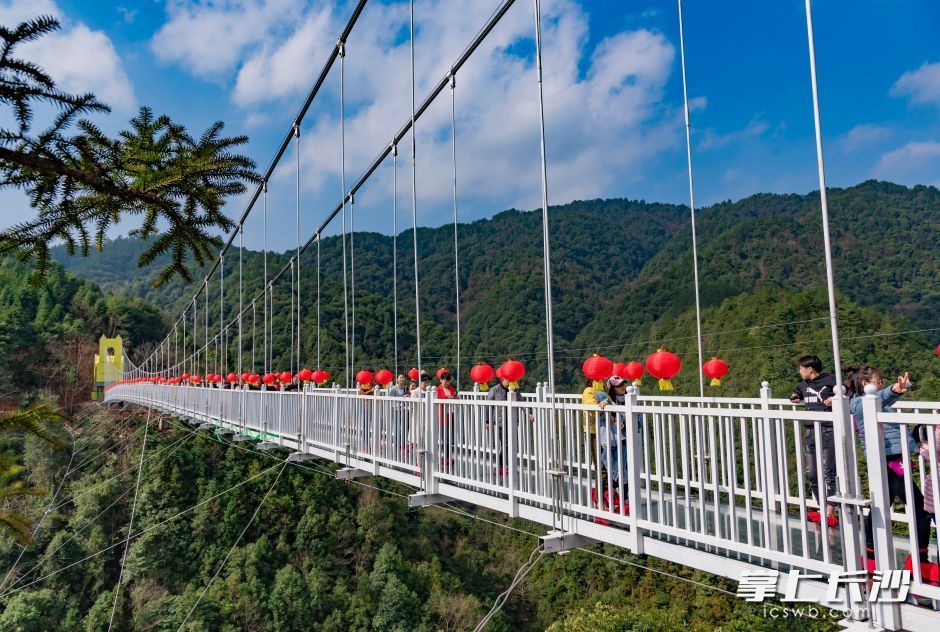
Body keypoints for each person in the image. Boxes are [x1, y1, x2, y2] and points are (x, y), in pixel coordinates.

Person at [848, 366, 931, 571]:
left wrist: (901, 389)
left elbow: (885, 399)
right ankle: (920, 562)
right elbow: (882, 398)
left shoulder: (877, 403)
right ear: (864, 384)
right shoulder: (858, 403)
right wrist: (893, 389)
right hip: (887, 460)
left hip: (891, 459)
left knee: (881, 506)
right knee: (920, 507)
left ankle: (870, 557)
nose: (881, 384)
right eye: (878, 381)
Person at [789, 354, 839, 527]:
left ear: (810, 369)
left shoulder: (830, 380)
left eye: (801, 368)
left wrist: (834, 398)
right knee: (811, 474)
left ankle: (830, 511)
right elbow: (797, 391)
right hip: (810, 431)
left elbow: (847, 391)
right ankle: (822, 507)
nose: (799, 371)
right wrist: (795, 396)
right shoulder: (804, 384)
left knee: (829, 472)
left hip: (828, 429)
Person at [594, 375, 630, 519]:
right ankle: (613, 495)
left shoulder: (626, 399)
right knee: (616, 468)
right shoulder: (609, 400)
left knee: (623, 469)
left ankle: (621, 498)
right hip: (612, 440)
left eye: (623, 384)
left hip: (625, 438)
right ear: (612, 388)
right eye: (618, 385)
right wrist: (605, 401)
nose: (622, 387)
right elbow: (598, 394)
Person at [436, 371, 458, 465]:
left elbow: (457, 399)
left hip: (451, 415)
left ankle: (448, 456)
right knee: (444, 438)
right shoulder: (437, 389)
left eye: (448, 380)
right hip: (442, 416)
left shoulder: (452, 389)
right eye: (445, 380)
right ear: (441, 380)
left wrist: (455, 398)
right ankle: (444, 456)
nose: (447, 382)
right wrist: (448, 398)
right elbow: (438, 400)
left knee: (450, 438)